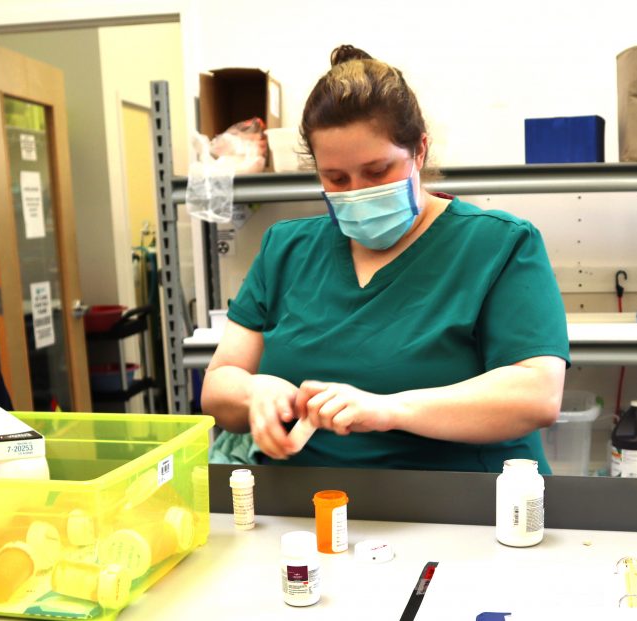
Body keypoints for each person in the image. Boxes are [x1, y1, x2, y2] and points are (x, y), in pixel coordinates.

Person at [202, 45, 570, 473]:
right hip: (308, 511)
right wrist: (255, 393)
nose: (357, 191)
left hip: (465, 511)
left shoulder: (499, 245)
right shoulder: (286, 249)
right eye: (335, 178)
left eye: (377, 172)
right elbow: (219, 383)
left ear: (419, 151)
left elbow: (537, 394)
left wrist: (388, 409)